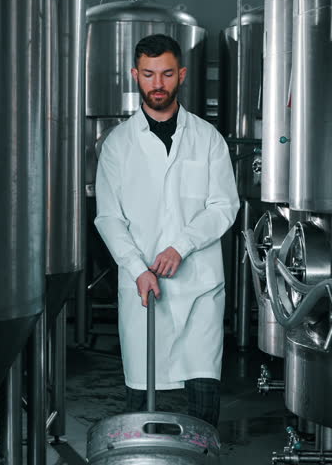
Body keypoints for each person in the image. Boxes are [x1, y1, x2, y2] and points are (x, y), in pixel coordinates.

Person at [94, 34, 240, 427]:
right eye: (148, 74)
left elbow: (224, 205)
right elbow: (108, 217)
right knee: (142, 398)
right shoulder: (118, 145)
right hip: (143, 285)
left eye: (167, 74)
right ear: (135, 75)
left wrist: (181, 246)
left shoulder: (207, 139)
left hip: (200, 288)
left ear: (182, 74)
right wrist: (136, 268)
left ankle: (202, 454)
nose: (157, 83)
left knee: (203, 397)